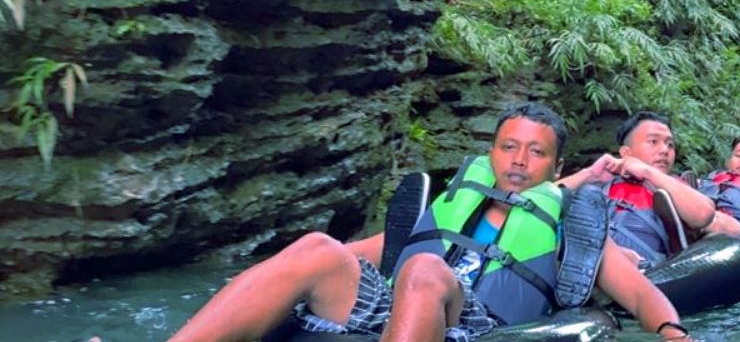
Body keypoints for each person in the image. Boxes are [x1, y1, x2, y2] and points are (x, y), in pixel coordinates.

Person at [166, 102, 691, 342]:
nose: (517, 161)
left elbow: (641, 295)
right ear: (491, 152)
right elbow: (360, 254)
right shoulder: (451, 205)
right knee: (317, 246)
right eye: (508, 147)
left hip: (475, 321)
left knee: (423, 274)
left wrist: (672, 332)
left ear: (556, 169)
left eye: (534, 153)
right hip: (397, 305)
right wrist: (266, 283)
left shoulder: (568, 228)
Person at [558, 111, 715, 266]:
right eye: (653, 141)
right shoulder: (601, 183)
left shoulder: (679, 188)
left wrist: (646, 172)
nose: (665, 150)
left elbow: (704, 215)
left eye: (670, 144)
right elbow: (536, 204)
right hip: (584, 262)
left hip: (646, 272)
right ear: (626, 152)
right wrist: (589, 174)